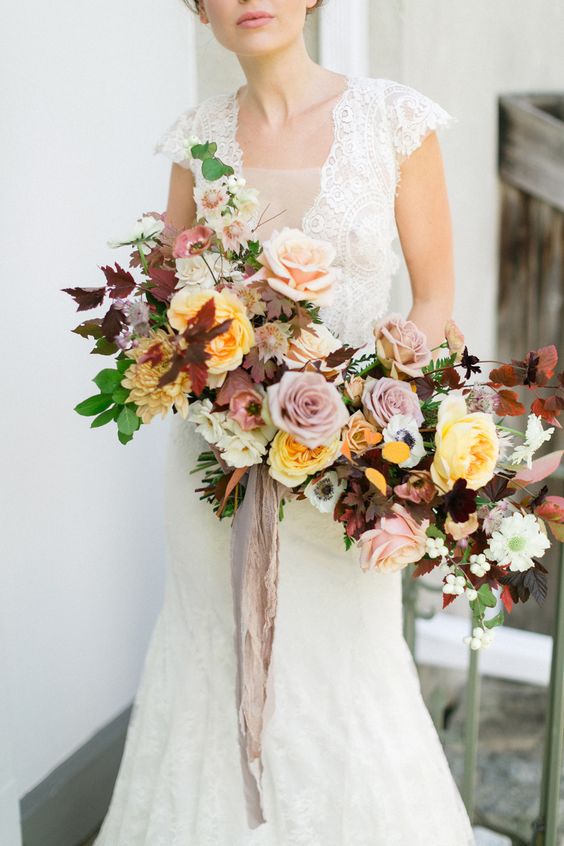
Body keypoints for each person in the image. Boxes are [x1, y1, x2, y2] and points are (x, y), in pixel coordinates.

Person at [94, 1, 475, 844]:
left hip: (348, 467)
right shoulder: (198, 142)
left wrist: (389, 388)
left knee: (348, 667)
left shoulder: (394, 119)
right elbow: (177, 308)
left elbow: (437, 296)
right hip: (216, 471)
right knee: (214, 655)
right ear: (198, 10)